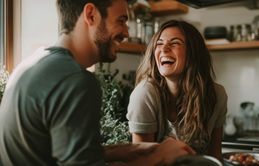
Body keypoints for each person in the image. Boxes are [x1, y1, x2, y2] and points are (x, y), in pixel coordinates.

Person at [0, 1, 195, 166]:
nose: (126, 33)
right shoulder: (74, 80)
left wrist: (130, 149)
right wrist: (159, 157)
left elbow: (67, 154)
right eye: (121, 21)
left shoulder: (34, 63)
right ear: (91, 15)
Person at [127, 20, 228, 161]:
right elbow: (143, 162)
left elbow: (215, 157)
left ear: (194, 52)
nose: (164, 49)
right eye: (159, 43)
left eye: (175, 43)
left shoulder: (217, 95)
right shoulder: (144, 95)